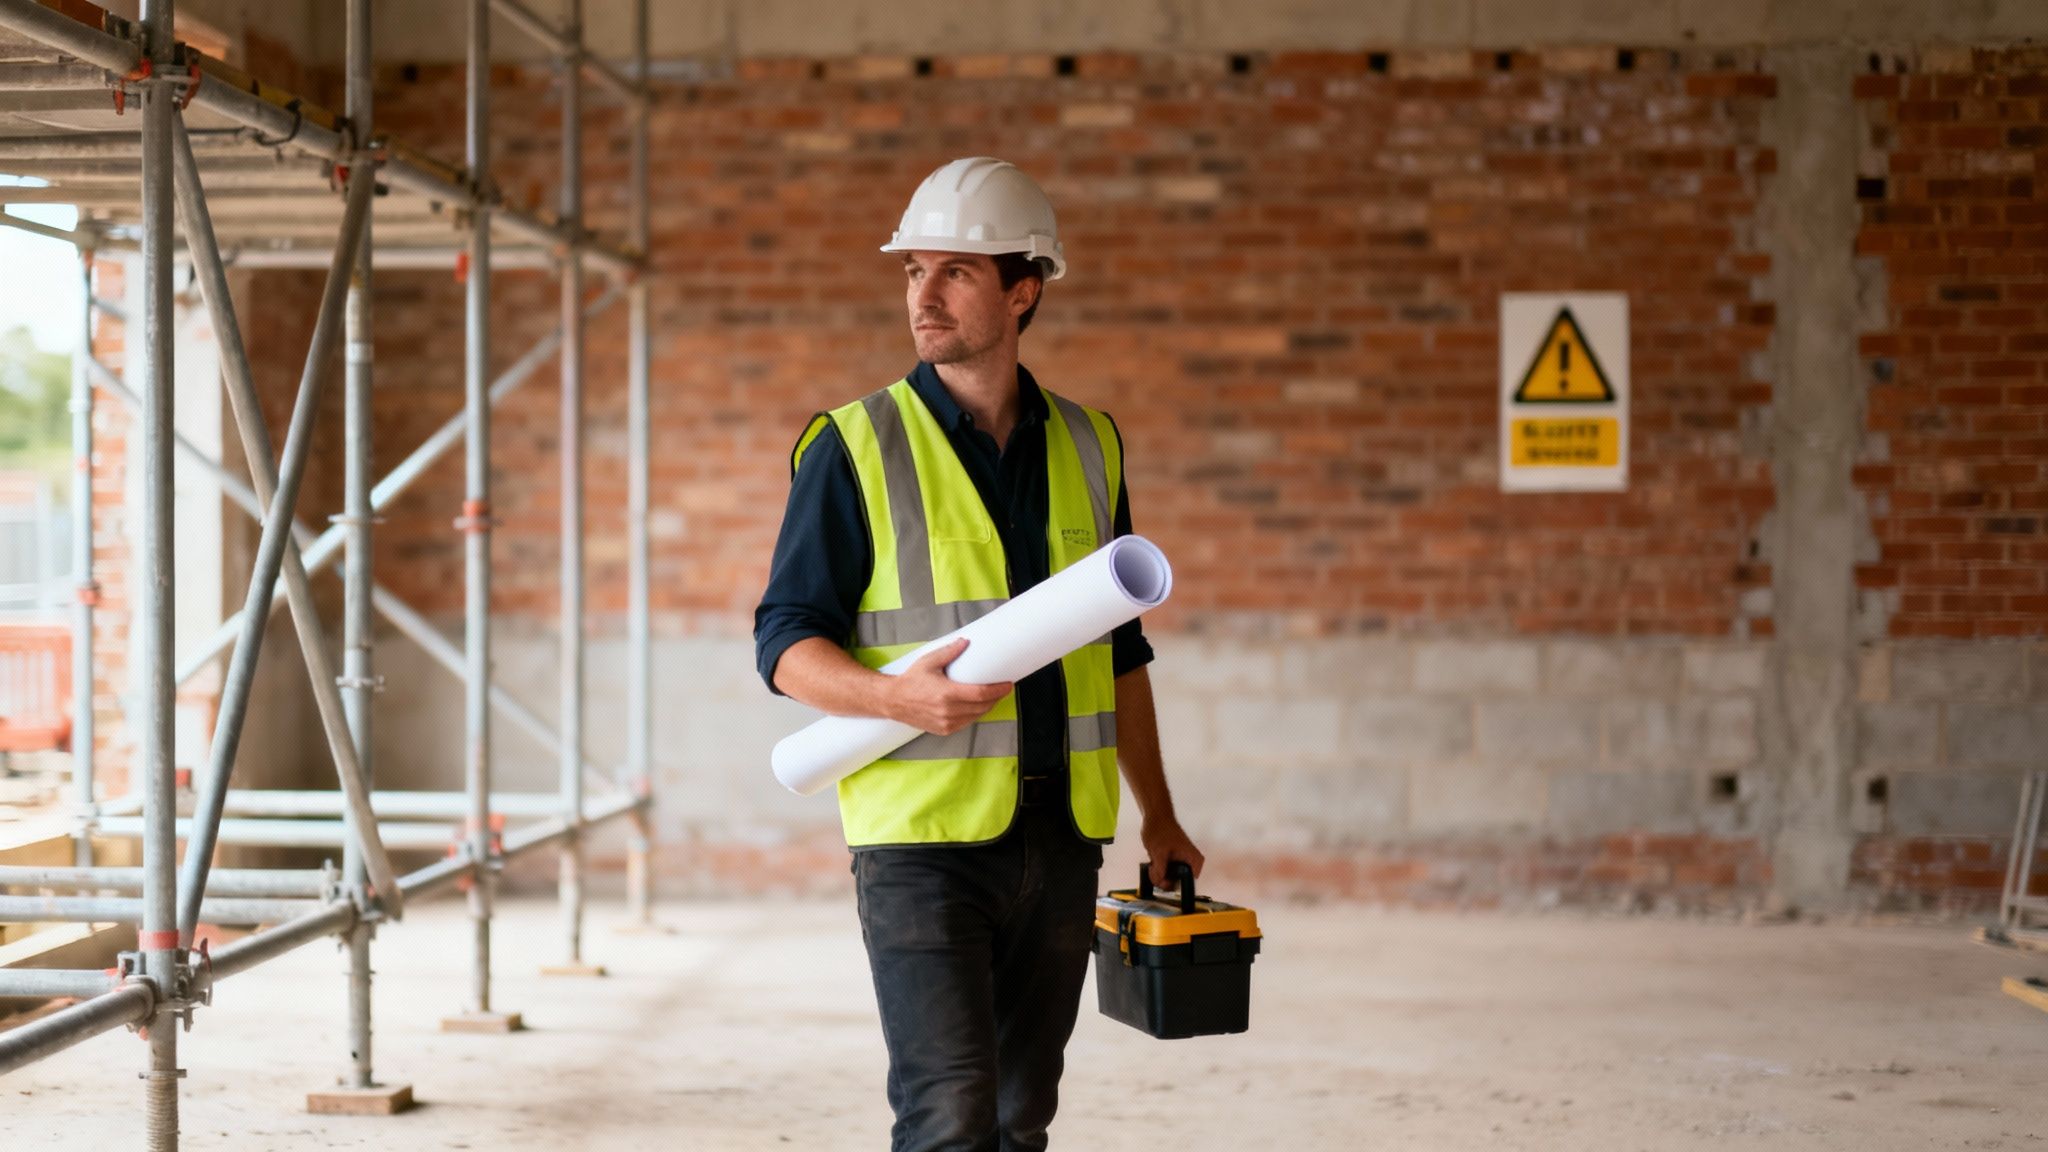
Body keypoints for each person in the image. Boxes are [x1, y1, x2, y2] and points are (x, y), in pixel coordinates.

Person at [753, 157, 1205, 1151]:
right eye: (913, 270)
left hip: (1058, 836)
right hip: (919, 842)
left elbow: (1119, 651)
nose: (923, 294)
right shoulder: (853, 444)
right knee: (948, 1111)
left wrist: (1159, 815)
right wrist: (890, 698)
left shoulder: (1091, 445)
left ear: (1022, 288)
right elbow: (782, 644)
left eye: (954, 271)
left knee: (1017, 1114)